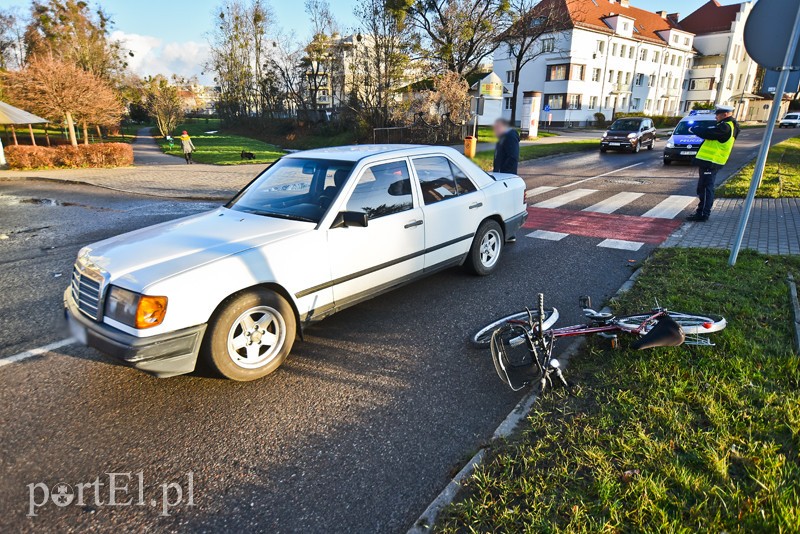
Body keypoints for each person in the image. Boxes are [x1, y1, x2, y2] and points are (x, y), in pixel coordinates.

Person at [686, 106, 740, 222]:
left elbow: (708, 133)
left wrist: (694, 129)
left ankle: (703, 214)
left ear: (725, 114)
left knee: (705, 188)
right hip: (712, 161)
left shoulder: (725, 127)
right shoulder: (730, 125)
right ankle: (702, 212)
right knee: (705, 187)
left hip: (711, 161)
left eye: (718, 114)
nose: (716, 117)